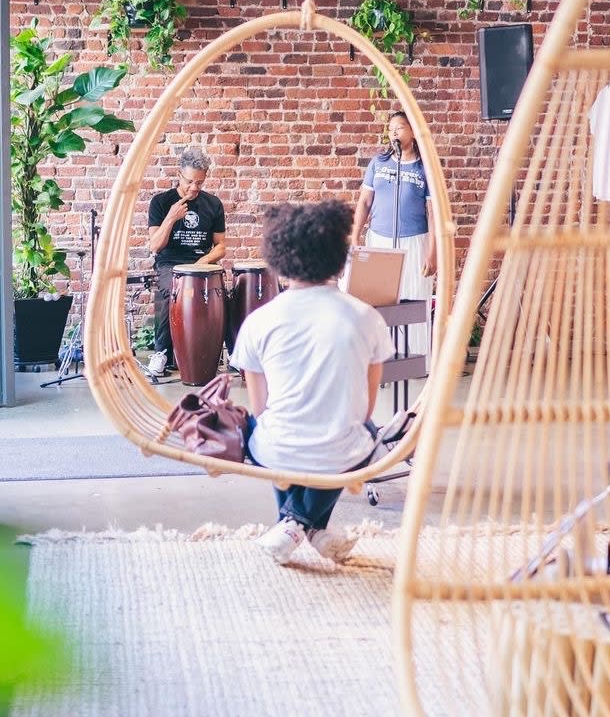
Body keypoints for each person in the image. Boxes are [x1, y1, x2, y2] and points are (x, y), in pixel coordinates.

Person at [229, 200, 392, 566]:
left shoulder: (260, 321)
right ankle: (312, 529)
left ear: (280, 258)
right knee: (351, 431)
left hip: (276, 449)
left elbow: (261, 408)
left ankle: (291, 524)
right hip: (341, 451)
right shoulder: (365, 317)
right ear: (338, 255)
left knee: (277, 429)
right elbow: (365, 405)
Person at [351, 110, 436, 356]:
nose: (393, 133)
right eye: (390, 129)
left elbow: (432, 213)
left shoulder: (425, 168)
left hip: (415, 241)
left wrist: (433, 253)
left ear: (412, 131)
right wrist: (356, 236)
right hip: (379, 239)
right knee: (378, 300)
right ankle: (381, 354)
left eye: (399, 128)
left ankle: (416, 356)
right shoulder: (379, 163)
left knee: (413, 297)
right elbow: (365, 202)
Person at [146, 146, 227, 377]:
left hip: (201, 262)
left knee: (224, 292)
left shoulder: (213, 204)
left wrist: (203, 261)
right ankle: (161, 353)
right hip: (170, 262)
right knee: (169, 288)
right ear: (179, 174)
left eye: (199, 183)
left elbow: (220, 246)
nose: (194, 188)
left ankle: (230, 351)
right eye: (190, 181)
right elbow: (155, 246)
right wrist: (171, 217)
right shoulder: (161, 202)